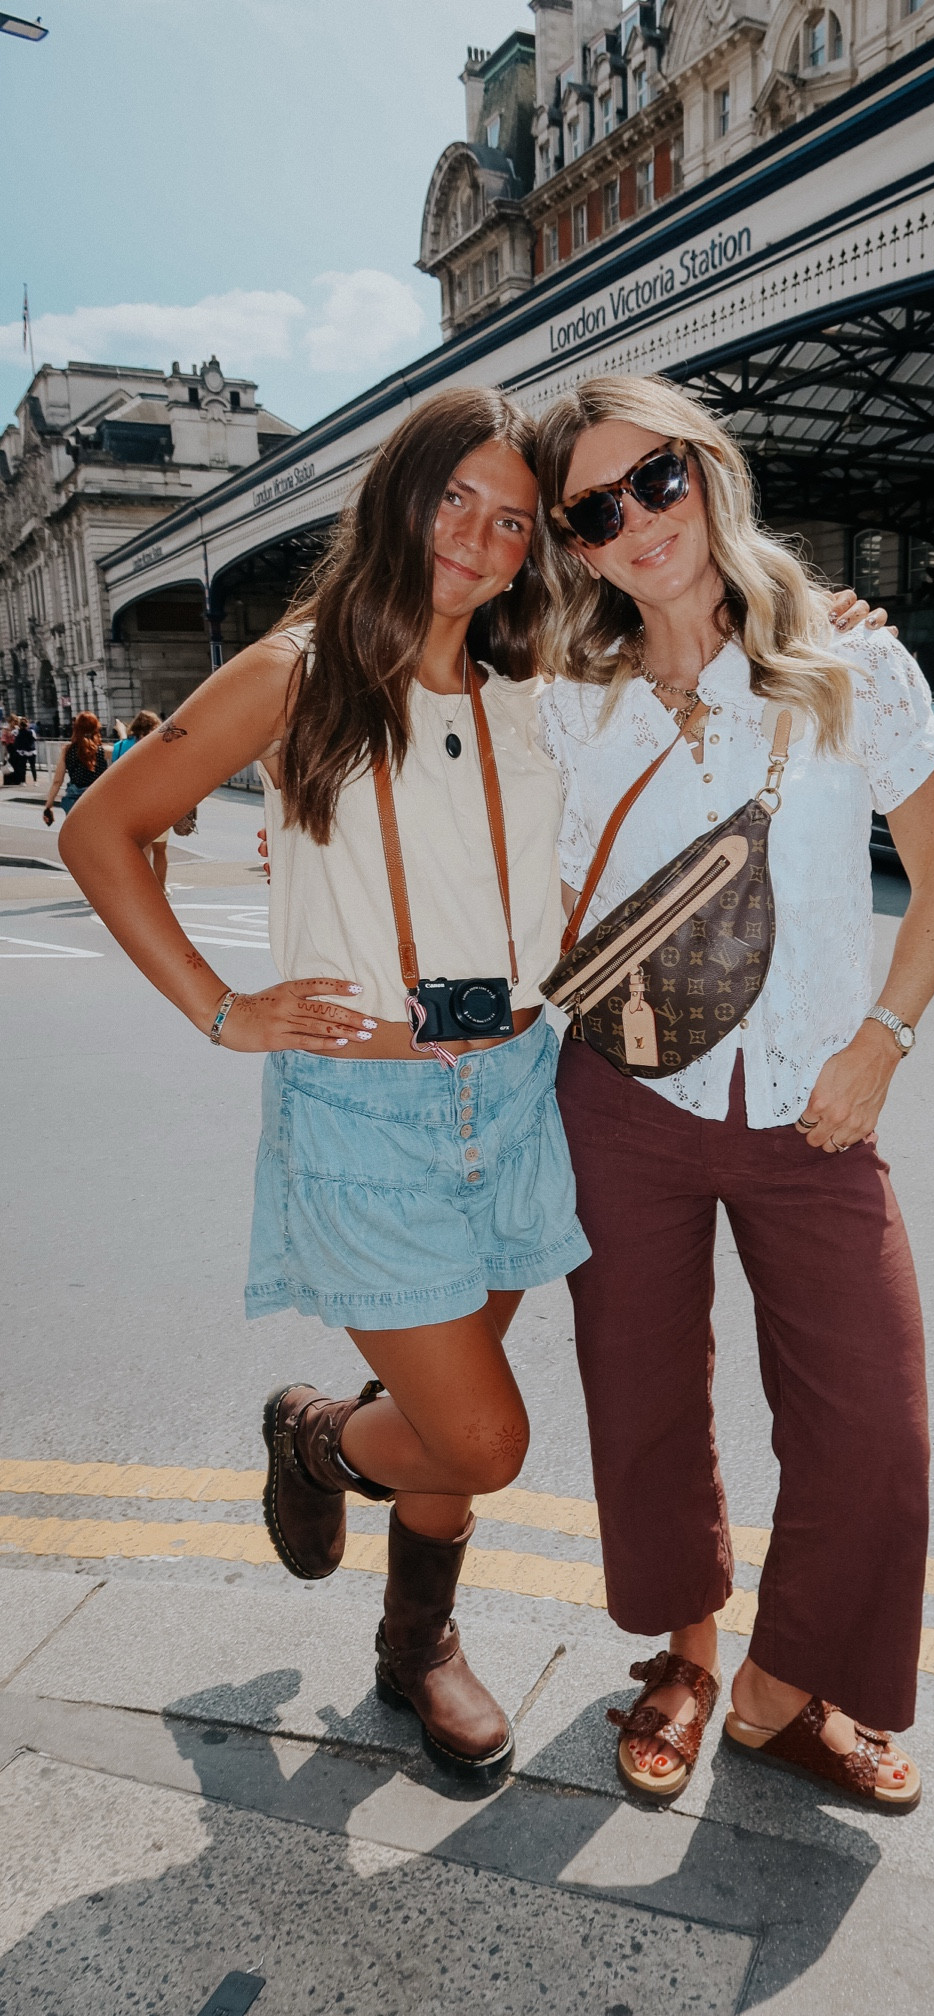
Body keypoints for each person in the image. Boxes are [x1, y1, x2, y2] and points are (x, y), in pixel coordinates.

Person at [60, 388, 592, 1786]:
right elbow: (100, 829)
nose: (476, 541)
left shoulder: (541, 696)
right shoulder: (296, 674)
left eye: (511, 521)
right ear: (396, 497)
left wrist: (829, 626)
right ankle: (313, 1434)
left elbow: (706, 674)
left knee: (449, 1421)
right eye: (453, 500)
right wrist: (224, 1010)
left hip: (520, 1089)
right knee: (479, 1435)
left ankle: (414, 1648)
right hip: (368, 1110)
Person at [535, 375, 934, 1811]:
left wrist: (883, 1041)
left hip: (815, 1106)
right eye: (596, 510)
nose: (637, 523)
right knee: (645, 1398)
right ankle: (682, 1657)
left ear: (706, 468)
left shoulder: (851, 664)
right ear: (576, 545)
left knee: (872, 1425)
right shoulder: (566, 702)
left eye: (654, 480)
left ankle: (787, 1695)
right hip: (620, 1099)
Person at [111, 709, 173, 887]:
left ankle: (146, 890)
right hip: (159, 803)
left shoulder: (120, 747)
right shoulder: (161, 746)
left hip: (132, 804)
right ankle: (161, 889)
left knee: (142, 849)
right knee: (160, 849)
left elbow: (114, 777)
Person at [42, 711, 108, 823]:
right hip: (97, 797)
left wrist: (48, 806)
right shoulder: (104, 751)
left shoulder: (67, 750)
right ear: (96, 728)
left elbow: (57, 781)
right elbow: (126, 753)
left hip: (74, 800)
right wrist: (122, 733)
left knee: (76, 835)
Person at [11, 715, 38, 784]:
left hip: (22, 751)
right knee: (33, 767)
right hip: (32, 751)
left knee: (23, 767)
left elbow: (12, 734)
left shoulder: (17, 732)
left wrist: (16, 728)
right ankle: (35, 781)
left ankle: (23, 781)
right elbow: (35, 739)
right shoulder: (31, 731)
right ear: (27, 724)